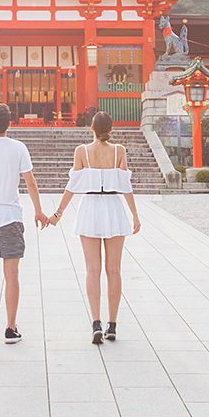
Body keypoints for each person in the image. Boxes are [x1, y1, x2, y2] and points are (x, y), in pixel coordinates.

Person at [48, 110, 140, 344]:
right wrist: (135, 216)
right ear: (111, 129)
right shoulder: (119, 151)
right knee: (114, 270)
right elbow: (125, 186)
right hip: (113, 208)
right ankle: (113, 325)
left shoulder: (81, 151)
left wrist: (58, 213)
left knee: (92, 270)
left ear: (91, 128)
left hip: (89, 207)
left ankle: (96, 323)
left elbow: (72, 185)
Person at [0, 103, 49, 344]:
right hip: (11, 217)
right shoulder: (18, 148)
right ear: (10, 124)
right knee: (11, 274)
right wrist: (39, 211)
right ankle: (10, 328)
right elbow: (30, 182)